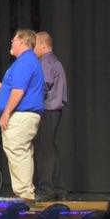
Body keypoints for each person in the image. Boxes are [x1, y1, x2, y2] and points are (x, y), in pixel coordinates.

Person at [0, 29, 45, 202]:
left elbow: (19, 91)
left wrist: (6, 112)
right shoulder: (27, 61)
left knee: (17, 151)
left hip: (20, 116)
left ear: (22, 41)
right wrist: (1, 87)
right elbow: (17, 87)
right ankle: (25, 194)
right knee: (21, 152)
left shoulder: (25, 61)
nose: (11, 43)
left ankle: (24, 196)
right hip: (24, 115)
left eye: (13, 40)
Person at [34, 31, 68, 201]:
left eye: (35, 46)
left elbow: (43, 85)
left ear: (43, 45)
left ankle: (46, 189)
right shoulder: (54, 60)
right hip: (55, 110)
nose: (33, 50)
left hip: (48, 110)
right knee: (50, 149)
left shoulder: (45, 61)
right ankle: (59, 189)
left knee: (44, 151)